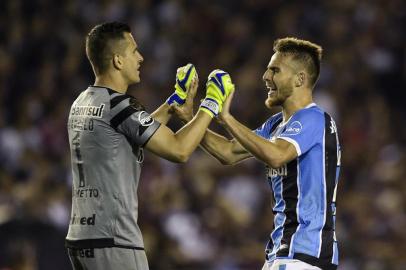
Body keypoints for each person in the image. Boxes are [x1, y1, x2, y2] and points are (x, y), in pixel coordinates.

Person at [65, 21, 234, 270]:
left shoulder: (82, 102)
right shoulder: (119, 105)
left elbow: (131, 133)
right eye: (134, 51)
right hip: (116, 241)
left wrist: (174, 101)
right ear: (118, 61)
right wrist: (211, 103)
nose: (141, 57)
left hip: (81, 237)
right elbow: (179, 150)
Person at [173, 37, 341, 270]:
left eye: (275, 70)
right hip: (282, 254)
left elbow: (276, 155)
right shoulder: (275, 125)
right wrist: (192, 118)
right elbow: (228, 152)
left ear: (300, 79)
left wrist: (226, 118)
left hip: (305, 255)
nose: (265, 77)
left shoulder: (314, 118)